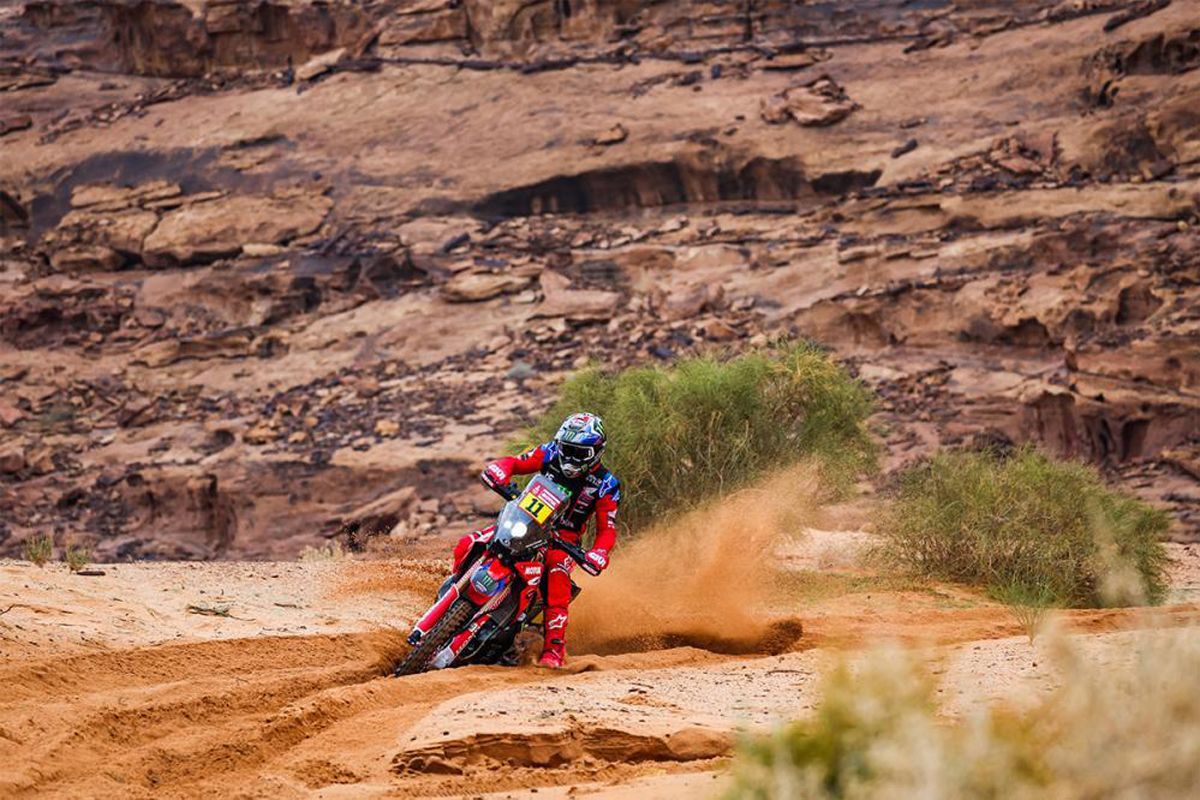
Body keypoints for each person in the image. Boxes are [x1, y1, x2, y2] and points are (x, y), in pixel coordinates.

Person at [451, 412, 619, 668]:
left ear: (597, 452)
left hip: (563, 538)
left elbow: (608, 528)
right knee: (467, 543)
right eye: (567, 449)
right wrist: (500, 469)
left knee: (557, 577)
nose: (571, 457)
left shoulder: (607, 484)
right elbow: (516, 463)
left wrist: (599, 553)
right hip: (526, 520)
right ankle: (454, 595)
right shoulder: (550, 452)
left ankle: (554, 651)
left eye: (580, 453)